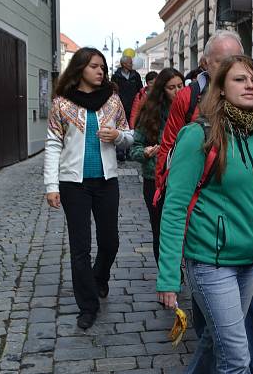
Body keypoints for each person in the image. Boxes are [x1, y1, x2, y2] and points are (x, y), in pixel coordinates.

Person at [157, 30, 253, 374]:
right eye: (238, 77)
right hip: (211, 258)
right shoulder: (197, 133)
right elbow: (174, 209)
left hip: (250, 256)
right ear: (216, 80)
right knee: (236, 357)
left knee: (217, 336)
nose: (249, 85)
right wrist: (169, 277)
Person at [44, 47, 133, 330]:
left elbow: (130, 135)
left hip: (107, 182)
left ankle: (99, 278)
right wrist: (51, 185)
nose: (100, 71)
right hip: (74, 184)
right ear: (80, 68)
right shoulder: (62, 104)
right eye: (94, 66)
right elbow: (53, 144)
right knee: (79, 247)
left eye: (103, 67)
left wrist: (118, 136)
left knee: (110, 242)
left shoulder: (113, 101)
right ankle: (88, 305)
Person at [129, 68, 184, 264]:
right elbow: (134, 149)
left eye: (180, 86)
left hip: (185, 180)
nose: (178, 91)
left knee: (185, 230)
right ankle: (168, 273)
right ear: (162, 90)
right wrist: (145, 152)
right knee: (160, 229)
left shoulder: (191, 110)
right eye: (172, 87)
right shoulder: (150, 114)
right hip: (156, 181)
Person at [111, 55, 143, 160]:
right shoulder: (116, 76)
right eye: (130, 63)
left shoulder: (136, 75)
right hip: (120, 106)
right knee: (120, 128)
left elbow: (140, 90)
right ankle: (120, 152)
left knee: (132, 129)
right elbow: (113, 91)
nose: (132, 64)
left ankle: (130, 151)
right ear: (124, 64)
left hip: (133, 106)